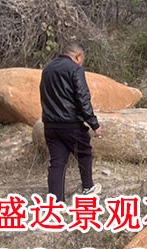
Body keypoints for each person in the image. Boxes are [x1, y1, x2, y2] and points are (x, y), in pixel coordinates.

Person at [39, 42, 103, 202]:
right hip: (71, 124)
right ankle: (88, 188)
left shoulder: (47, 69)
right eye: (82, 60)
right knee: (84, 153)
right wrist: (94, 124)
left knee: (57, 163)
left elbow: (44, 94)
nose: (81, 63)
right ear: (78, 56)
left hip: (50, 125)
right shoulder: (75, 69)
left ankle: (56, 201)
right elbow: (83, 98)